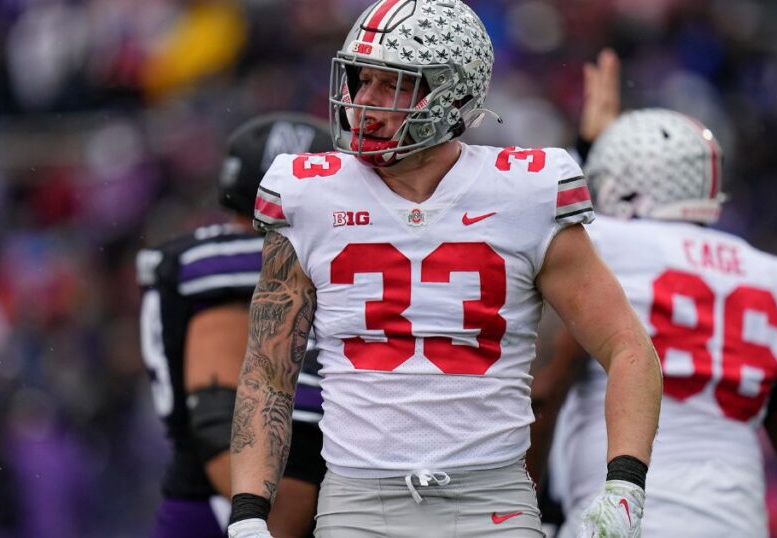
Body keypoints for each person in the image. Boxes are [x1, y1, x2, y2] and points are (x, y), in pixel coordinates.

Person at [226, 2, 663, 537]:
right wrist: (248, 514)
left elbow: (628, 346)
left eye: (390, 85)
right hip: (357, 504)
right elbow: (268, 374)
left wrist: (624, 486)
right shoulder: (308, 193)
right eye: (362, 81)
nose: (362, 102)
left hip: (491, 502)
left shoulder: (526, 193)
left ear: (450, 93)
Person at [537, 51, 777, 538]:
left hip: (617, 519)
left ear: (615, 187)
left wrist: (518, 514)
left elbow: (544, 391)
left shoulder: (601, 247)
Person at [135, 113, 332, 538]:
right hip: (244, 490)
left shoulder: (186, 255)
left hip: (206, 486)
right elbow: (219, 413)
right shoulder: (241, 267)